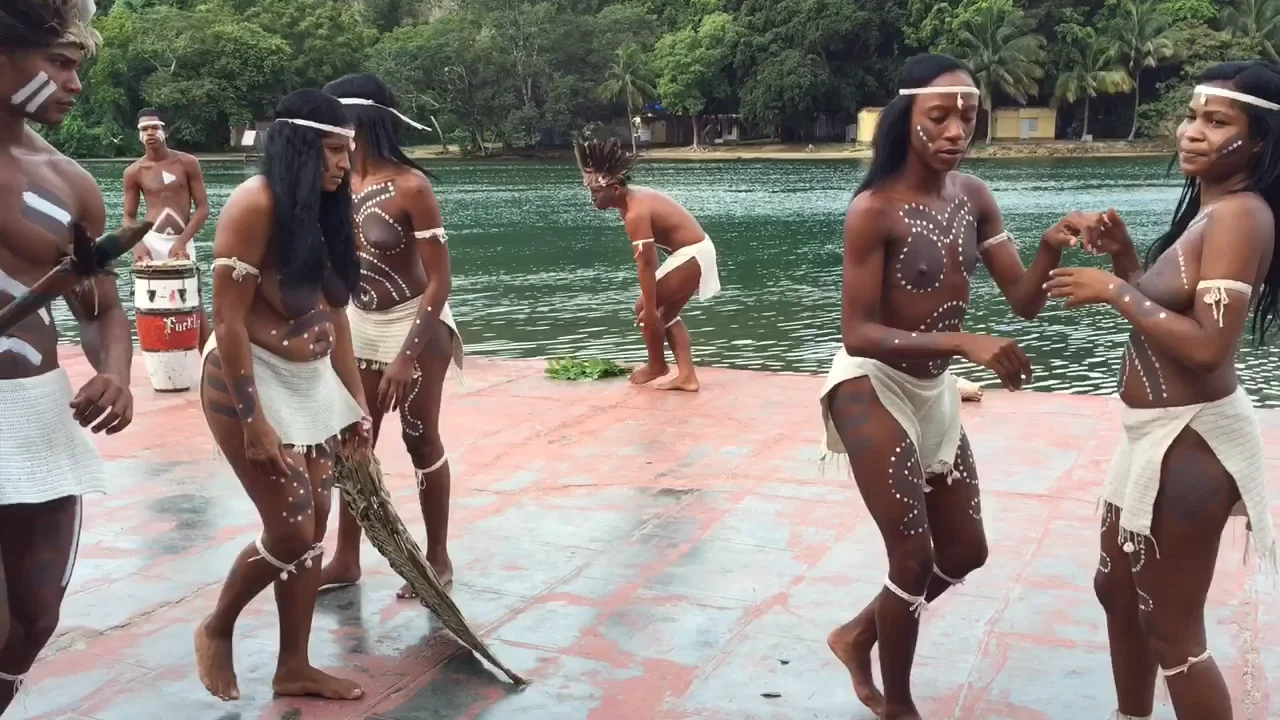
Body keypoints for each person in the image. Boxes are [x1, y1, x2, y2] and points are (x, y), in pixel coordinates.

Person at [818, 53, 1084, 720]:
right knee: (911, 555)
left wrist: (1050, 246)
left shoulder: (974, 197)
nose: (956, 129)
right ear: (907, 118)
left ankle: (857, 635)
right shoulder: (873, 210)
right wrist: (964, 342)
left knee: (966, 550)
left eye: (968, 116)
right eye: (940, 116)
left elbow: (1023, 300)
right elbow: (858, 333)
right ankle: (900, 705)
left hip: (932, 391)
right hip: (869, 385)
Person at [1046, 61, 1279, 720]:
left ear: (1257, 141)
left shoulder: (1241, 216)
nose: (1193, 132)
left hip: (1195, 440)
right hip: (1154, 439)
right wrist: (1126, 261)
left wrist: (1114, 290)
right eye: (1192, 116)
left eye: (1216, 121)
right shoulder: (1210, 211)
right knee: (1116, 590)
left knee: (1174, 632)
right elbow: (1171, 309)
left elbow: (1209, 347)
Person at [192, 88, 372, 702]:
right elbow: (228, 322)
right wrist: (255, 422)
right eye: (332, 150)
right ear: (297, 146)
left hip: (313, 382)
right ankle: (217, 626)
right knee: (292, 528)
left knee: (315, 526)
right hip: (250, 380)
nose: (344, 164)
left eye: (348, 151)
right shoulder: (254, 203)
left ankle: (293, 666)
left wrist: (357, 406)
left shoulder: (323, 207)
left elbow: (337, 317)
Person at [0, 0, 135, 711]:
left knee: (34, 620)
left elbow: (102, 308)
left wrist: (113, 371)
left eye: (77, 67)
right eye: (59, 63)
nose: (75, 84)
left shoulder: (70, 186)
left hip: (35, 416)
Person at [315, 72, 462, 599]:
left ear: (361, 123)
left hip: (415, 324)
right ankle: (347, 558)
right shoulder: (333, 184)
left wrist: (405, 358)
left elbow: (440, 280)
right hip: (358, 324)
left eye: (338, 124)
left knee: (420, 438)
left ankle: (438, 558)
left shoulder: (410, 186)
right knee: (355, 440)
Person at [573, 138, 721, 392]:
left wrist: (650, 310)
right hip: (698, 251)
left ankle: (657, 364)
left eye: (595, 193)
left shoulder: (635, 213)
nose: (592, 199)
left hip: (693, 253)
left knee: (645, 308)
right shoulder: (631, 200)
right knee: (668, 316)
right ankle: (687, 377)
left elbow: (647, 264)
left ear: (615, 190)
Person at [124, 106, 211, 346]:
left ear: (167, 131)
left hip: (182, 240)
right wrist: (138, 246)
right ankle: (164, 362)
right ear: (139, 134)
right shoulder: (133, 172)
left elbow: (203, 208)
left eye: (155, 127)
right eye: (144, 128)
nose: (150, 132)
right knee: (154, 304)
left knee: (194, 302)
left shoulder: (187, 163)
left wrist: (182, 241)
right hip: (151, 241)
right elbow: (129, 217)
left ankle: (212, 365)